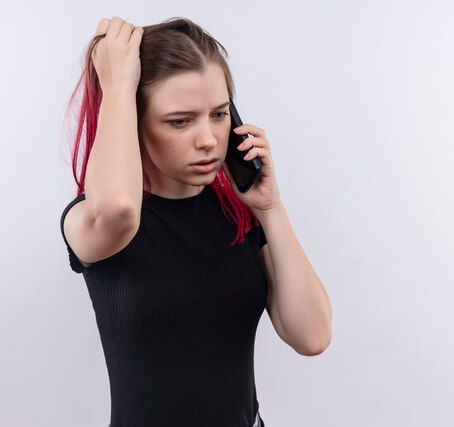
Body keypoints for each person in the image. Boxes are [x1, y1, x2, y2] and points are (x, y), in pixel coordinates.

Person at [60, 16, 332, 427]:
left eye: (219, 114)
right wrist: (116, 85)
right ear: (133, 120)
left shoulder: (237, 215)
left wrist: (270, 209)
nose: (207, 139)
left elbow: (312, 336)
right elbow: (118, 207)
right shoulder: (97, 219)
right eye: (180, 121)